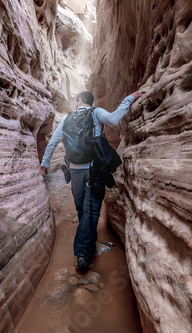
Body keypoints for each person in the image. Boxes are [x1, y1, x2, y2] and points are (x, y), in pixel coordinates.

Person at [38, 90, 144, 272]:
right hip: (94, 170)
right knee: (92, 208)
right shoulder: (95, 113)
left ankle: (87, 241)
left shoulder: (68, 118)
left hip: (74, 170)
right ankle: (83, 253)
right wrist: (129, 98)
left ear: (79, 100)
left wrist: (44, 163)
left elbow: (54, 140)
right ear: (90, 101)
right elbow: (113, 119)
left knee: (81, 206)